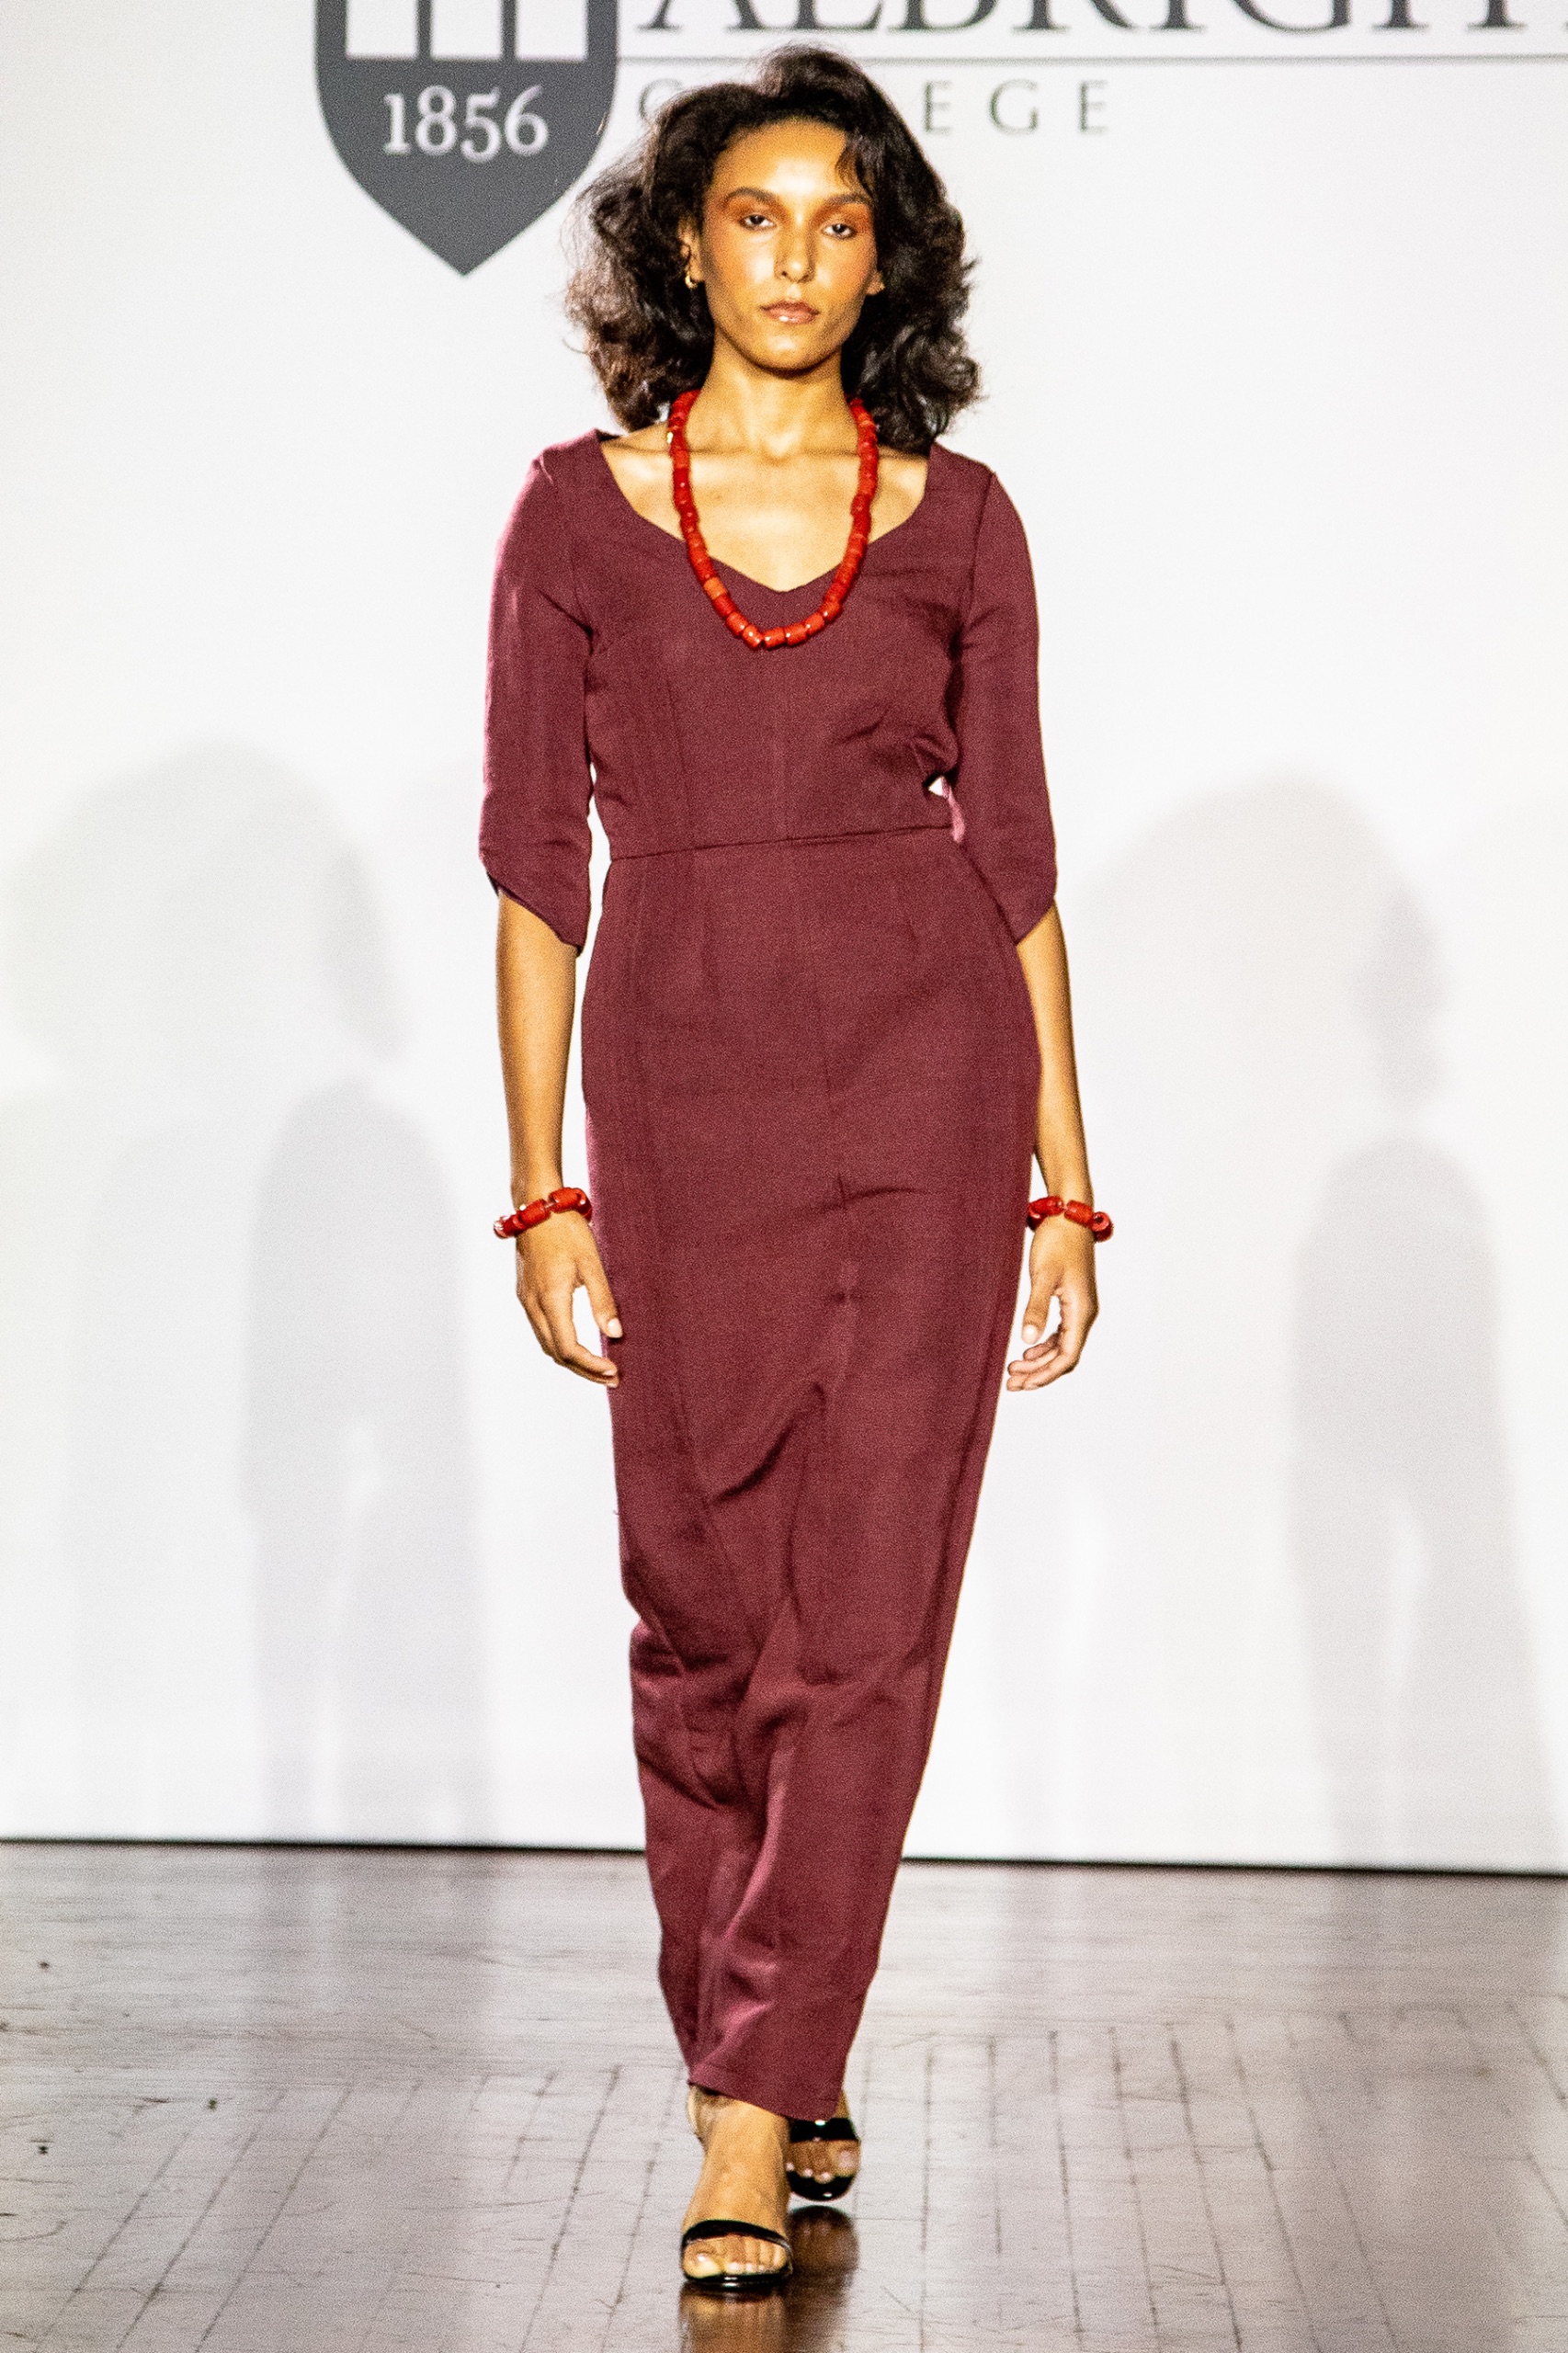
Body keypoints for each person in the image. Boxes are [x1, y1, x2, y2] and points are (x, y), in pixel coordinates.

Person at [481, 46, 1103, 2297]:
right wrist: (538, 1189)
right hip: (675, 1091)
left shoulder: (962, 518)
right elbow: (534, 867)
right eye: (754, 217)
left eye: (840, 224)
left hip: (923, 1095)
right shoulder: (568, 516)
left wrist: (1065, 1175)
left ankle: (749, 2112)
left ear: (885, 259)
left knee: (859, 1619)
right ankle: (775, 2026)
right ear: (680, 244)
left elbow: (1015, 858)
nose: (797, 262)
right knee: (701, 1614)